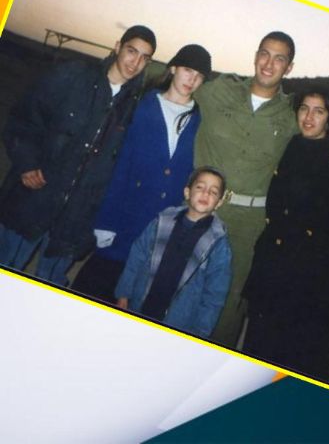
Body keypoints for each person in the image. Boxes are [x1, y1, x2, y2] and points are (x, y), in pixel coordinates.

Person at [194, 31, 329, 347]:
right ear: (255, 55)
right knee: (183, 285)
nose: (269, 63)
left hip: (250, 223)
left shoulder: (291, 112)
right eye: (264, 53)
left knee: (231, 302)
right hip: (202, 208)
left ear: (289, 67)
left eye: (279, 58)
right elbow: (175, 81)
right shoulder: (219, 90)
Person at [0, 25, 156, 286]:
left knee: (49, 291)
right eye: (132, 51)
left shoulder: (134, 108)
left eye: (144, 58)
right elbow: (23, 119)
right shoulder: (74, 76)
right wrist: (27, 163)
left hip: (76, 220)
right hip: (34, 198)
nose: (135, 62)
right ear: (117, 46)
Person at [242, 87, 329, 382]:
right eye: (304, 109)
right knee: (259, 355)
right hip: (274, 267)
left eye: (319, 111)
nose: (309, 117)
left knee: (302, 359)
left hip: (314, 280)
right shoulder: (288, 145)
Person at [71, 44, 211, 303]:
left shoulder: (199, 119)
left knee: (130, 300)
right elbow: (121, 166)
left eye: (199, 75)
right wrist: (106, 222)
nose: (192, 80)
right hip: (127, 214)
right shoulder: (144, 105)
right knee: (92, 290)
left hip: (163, 225)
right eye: (187, 70)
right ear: (173, 68)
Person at [115, 166, 232, 339]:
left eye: (213, 192)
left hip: (178, 322)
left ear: (219, 202)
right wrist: (124, 294)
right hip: (141, 305)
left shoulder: (218, 243)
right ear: (187, 192)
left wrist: (200, 332)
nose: (205, 194)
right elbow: (137, 256)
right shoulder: (162, 221)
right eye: (200, 187)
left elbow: (215, 294)